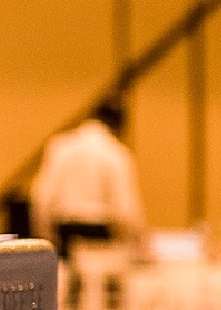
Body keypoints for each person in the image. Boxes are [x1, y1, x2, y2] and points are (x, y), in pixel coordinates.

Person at [31, 99, 146, 258]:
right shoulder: (115, 153)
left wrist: (44, 234)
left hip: (65, 231)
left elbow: (42, 196)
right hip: (99, 234)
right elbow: (126, 207)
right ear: (119, 127)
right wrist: (139, 242)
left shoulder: (61, 147)